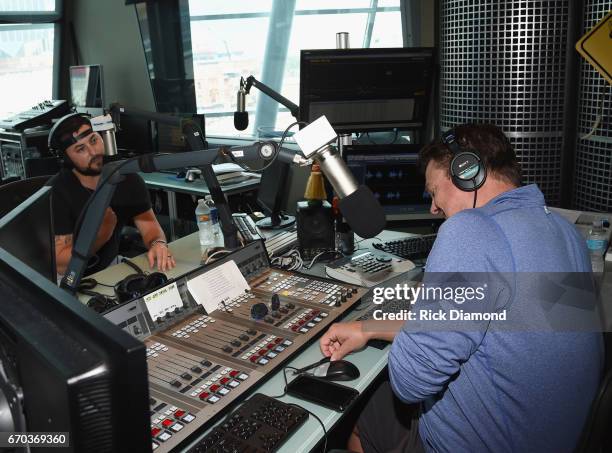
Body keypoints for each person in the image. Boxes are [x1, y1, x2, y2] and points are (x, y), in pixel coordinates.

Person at [320, 123, 603, 452]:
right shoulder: (562, 230)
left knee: (365, 413)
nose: (433, 208)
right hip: (557, 438)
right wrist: (368, 328)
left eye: (434, 191)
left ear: (466, 172)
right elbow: (499, 327)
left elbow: (410, 382)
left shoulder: (470, 230)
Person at [48, 113, 176, 276]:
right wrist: (100, 235)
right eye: (81, 149)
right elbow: (60, 265)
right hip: (67, 278)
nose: (93, 152)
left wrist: (158, 243)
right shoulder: (56, 193)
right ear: (66, 160)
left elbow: (149, 224)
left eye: (93, 140)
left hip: (109, 265)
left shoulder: (126, 178)